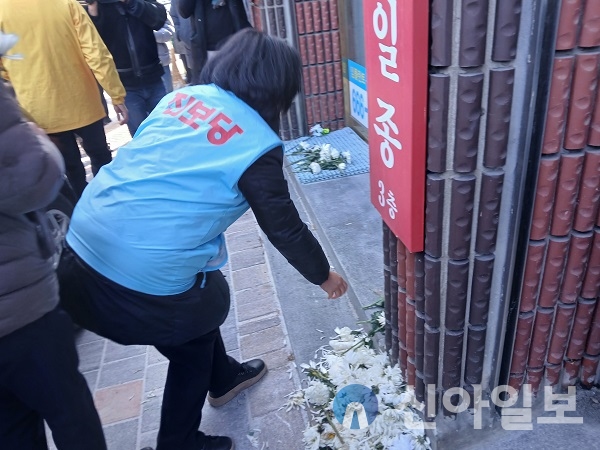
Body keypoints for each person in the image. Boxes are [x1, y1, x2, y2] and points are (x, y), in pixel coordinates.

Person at [58, 28, 348, 450]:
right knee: (191, 340)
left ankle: (225, 377)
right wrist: (323, 276)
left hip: (77, 252)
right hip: (134, 287)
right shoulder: (258, 146)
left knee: (205, 294)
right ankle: (177, 441)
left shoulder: (181, 99)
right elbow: (283, 226)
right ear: (279, 90)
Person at [0, 40, 107, 450]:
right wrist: (29, 128)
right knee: (70, 415)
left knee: (12, 429)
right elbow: (35, 178)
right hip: (19, 311)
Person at [0, 0, 128, 199]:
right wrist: (116, 94)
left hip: (39, 108)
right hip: (83, 103)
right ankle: (110, 203)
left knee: (70, 170)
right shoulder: (66, 3)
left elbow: (3, 70)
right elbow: (96, 53)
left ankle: (82, 213)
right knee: (101, 159)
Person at [87, 0, 168, 136]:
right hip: (126, 87)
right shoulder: (100, 5)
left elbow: (159, 20)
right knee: (141, 136)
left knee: (167, 128)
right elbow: (94, 41)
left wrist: (131, 3)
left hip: (154, 78)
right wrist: (93, 7)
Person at [178, 0, 251, 84]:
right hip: (207, 51)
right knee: (210, 88)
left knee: (239, 86)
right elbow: (184, 12)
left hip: (235, 46)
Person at [170, 0, 193, 83]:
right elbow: (174, 15)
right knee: (196, 77)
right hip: (189, 44)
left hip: (212, 44)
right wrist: (180, 33)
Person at [155, 16, 175, 93]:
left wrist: (149, 33)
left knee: (168, 95)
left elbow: (169, 33)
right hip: (133, 71)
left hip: (161, 64)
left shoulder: (155, 8)